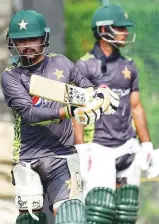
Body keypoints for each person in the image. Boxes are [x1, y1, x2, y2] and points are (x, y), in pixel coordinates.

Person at [1, 9, 119, 224]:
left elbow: (86, 90)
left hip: (62, 155)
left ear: (44, 38)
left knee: (71, 216)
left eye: (32, 39)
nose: (27, 45)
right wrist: (69, 111)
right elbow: (29, 114)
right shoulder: (11, 76)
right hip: (29, 157)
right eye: (21, 40)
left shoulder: (62, 63)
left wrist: (101, 94)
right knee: (30, 218)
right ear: (13, 43)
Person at [74, 4, 155, 224]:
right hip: (98, 147)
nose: (125, 32)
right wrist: (80, 147)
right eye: (120, 27)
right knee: (99, 213)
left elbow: (136, 106)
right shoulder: (84, 66)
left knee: (126, 213)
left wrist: (146, 144)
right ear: (102, 30)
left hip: (127, 146)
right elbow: (76, 110)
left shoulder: (129, 65)